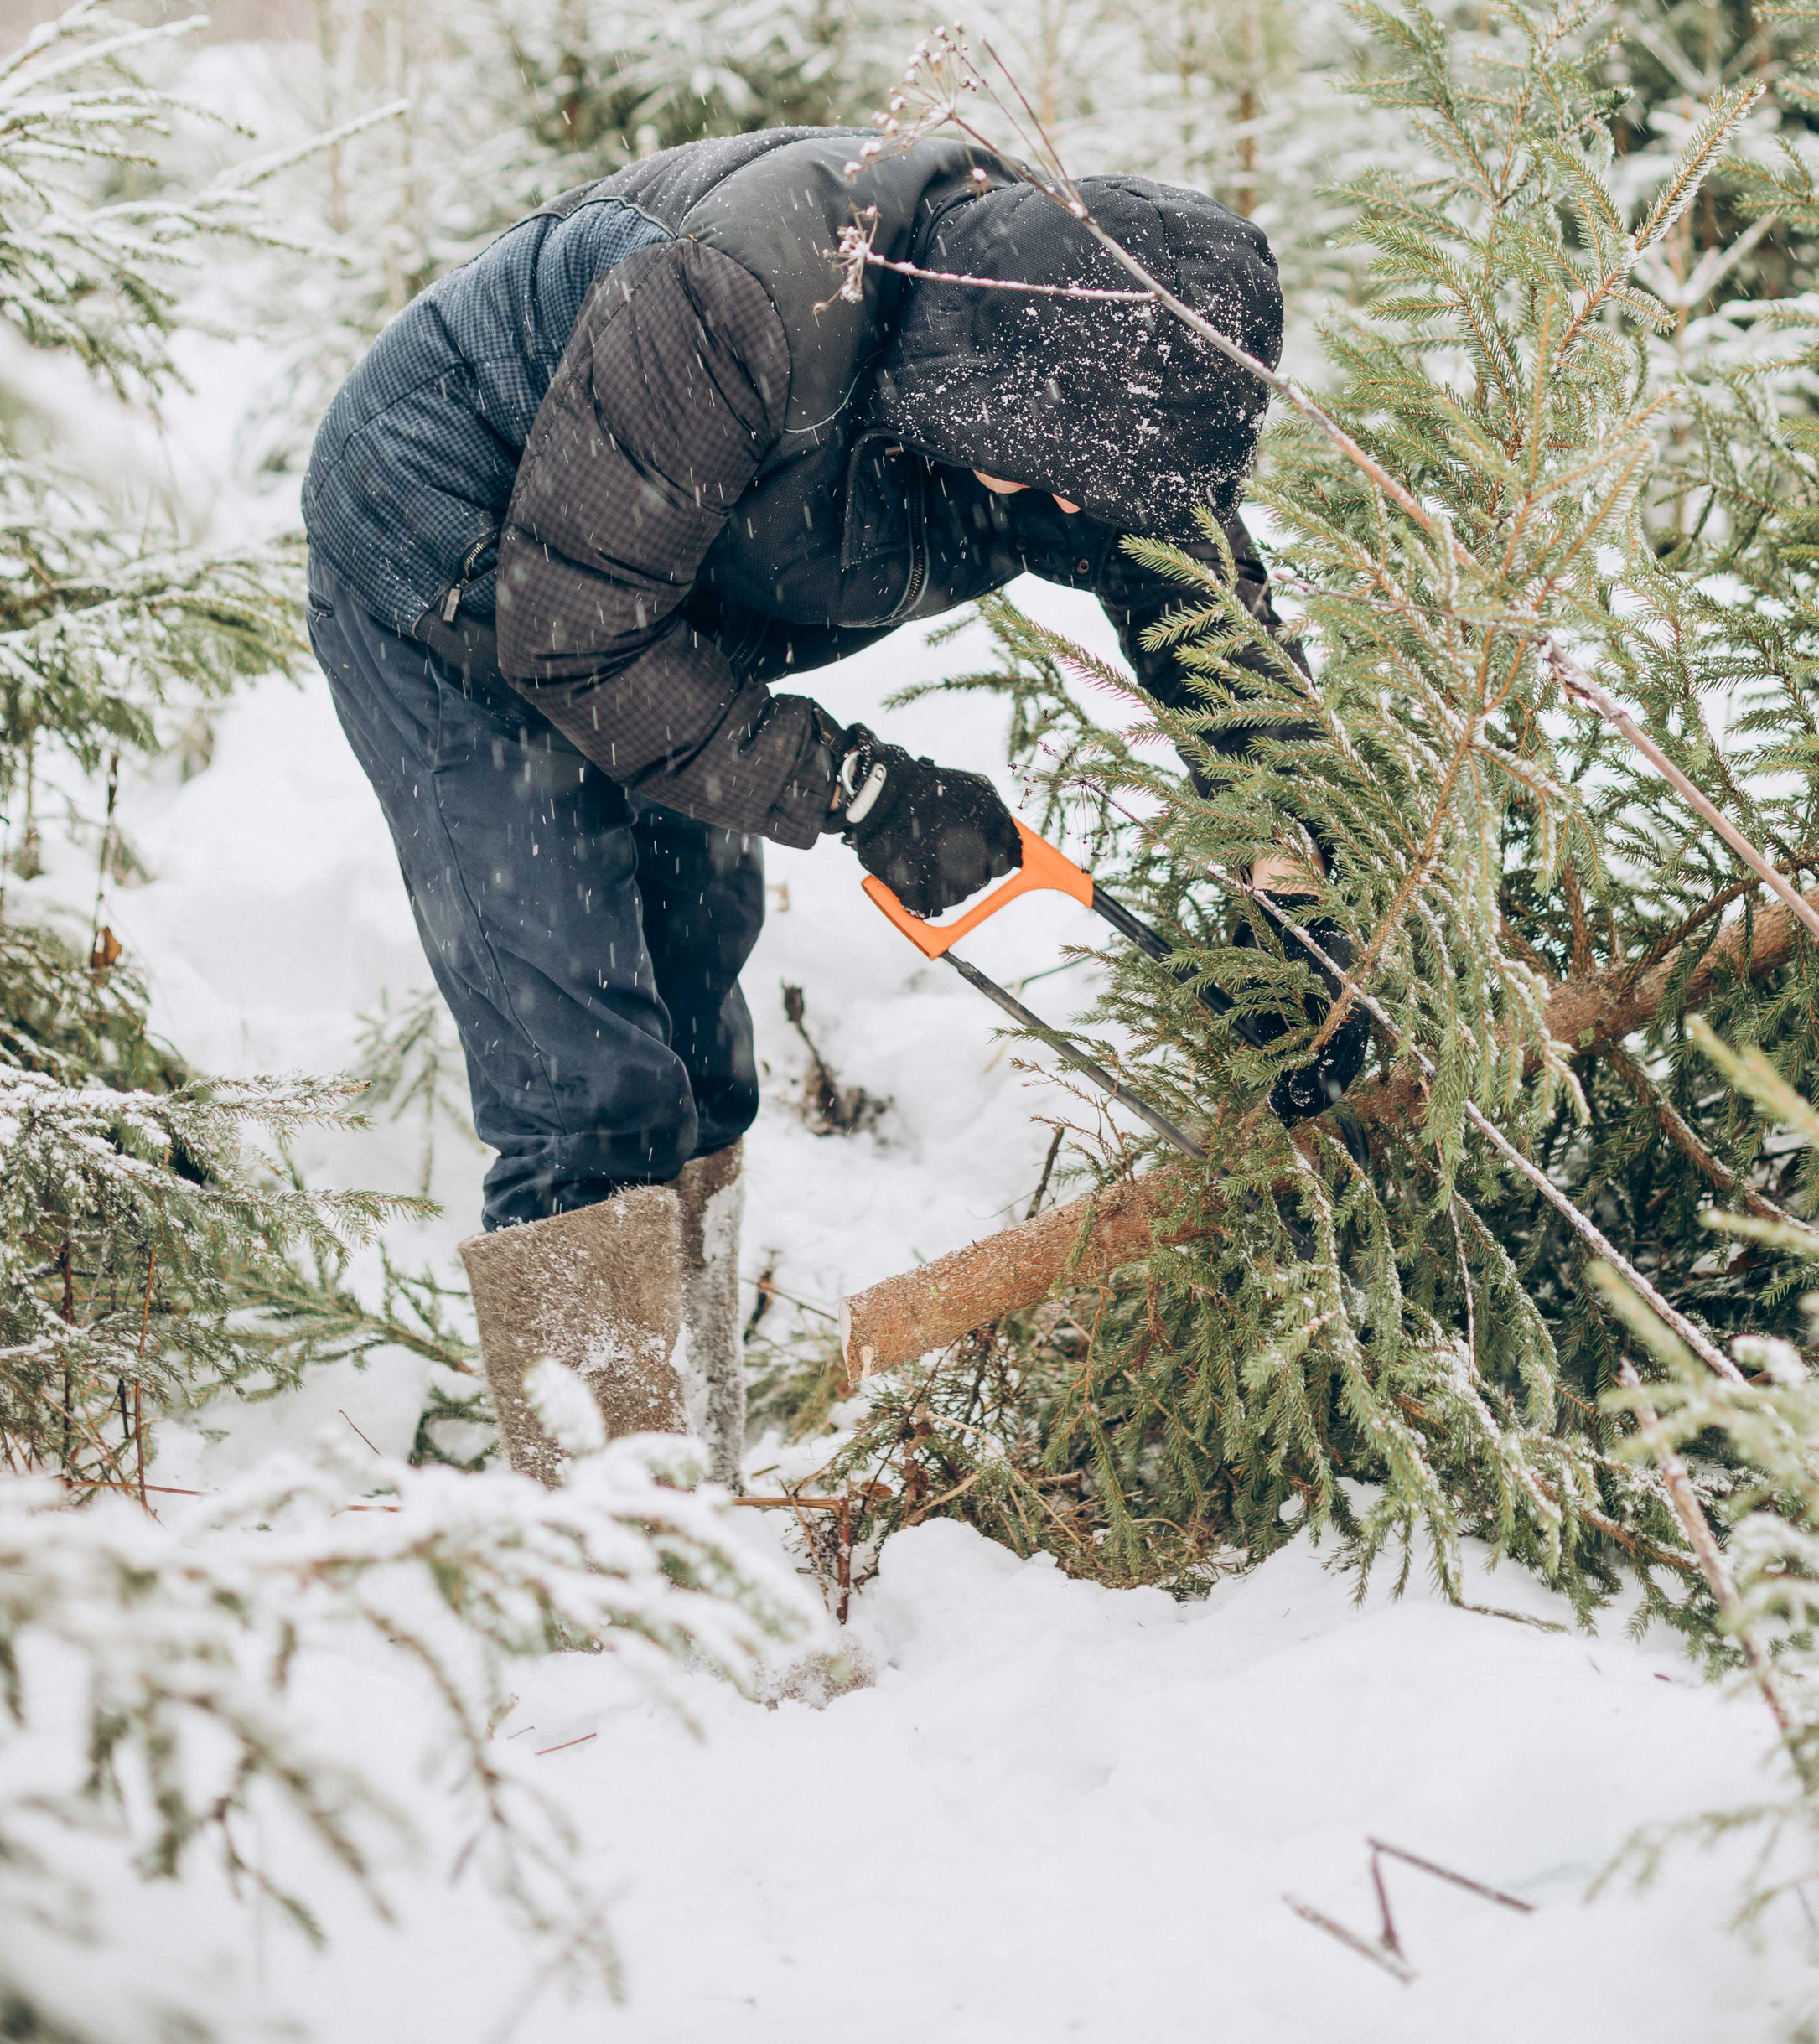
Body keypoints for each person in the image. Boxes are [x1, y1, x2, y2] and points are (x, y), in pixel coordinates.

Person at [302, 125, 1362, 1481]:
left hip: (662, 590)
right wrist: (858, 788)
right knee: (588, 1085)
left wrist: (1303, 899)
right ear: (973, 392)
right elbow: (570, 637)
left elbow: (1222, 644)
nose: (1060, 511)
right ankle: (610, 1559)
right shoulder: (741, 307)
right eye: (1043, 480)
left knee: (698, 1043)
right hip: (455, 564)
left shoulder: (1110, 376)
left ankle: (689, 1471)